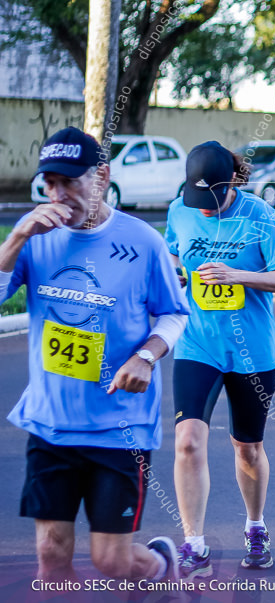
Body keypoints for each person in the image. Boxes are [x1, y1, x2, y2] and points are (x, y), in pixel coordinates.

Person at [0, 127, 189, 583]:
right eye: (50, 183)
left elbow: (174, 314)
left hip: (119, 427)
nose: (58, 194)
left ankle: (162, 565)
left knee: (111, 561)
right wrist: (18, 236)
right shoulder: (35, 238)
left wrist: (145, 356)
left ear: (101, 176)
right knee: (51, 554)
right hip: (50, 422)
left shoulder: (143, 242)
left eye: (71, 182)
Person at [165, 141, 275, 579]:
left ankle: (255, 525)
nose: (201, 209)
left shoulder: (260, 215)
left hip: (252, 351)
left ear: (231, 184)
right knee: (187, 442)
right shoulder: (179, 211)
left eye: (210, 200)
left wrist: (237, 275)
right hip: (197, 344)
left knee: (247, 448)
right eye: (194, 199)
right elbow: (171, 258)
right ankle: (194, 544)